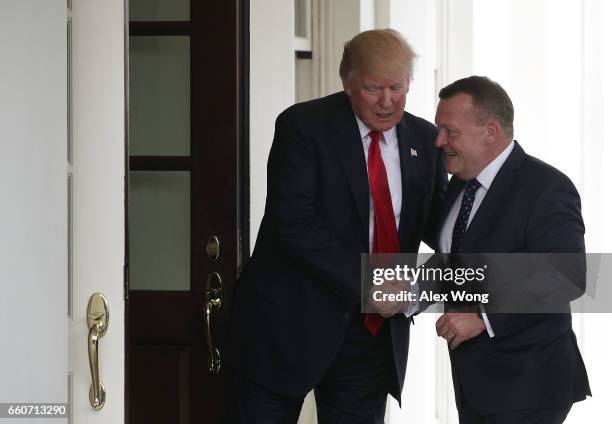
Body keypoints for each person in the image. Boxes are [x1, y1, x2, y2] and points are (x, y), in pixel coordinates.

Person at [225, 29, 447, 423]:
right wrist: (368, 283)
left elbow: (440, 225)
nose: (387, 101)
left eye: (397, 87)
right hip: (288, 326)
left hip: (370, 336)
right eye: (373, 88)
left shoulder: (425, 140)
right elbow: (293, 223)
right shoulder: (303, 127)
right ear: (347, 83)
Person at [433, 76, 590, 424]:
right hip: (475, 383)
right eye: (438, 129)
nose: (439, 141)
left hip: (529, 383)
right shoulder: (458, 185)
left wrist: (483, 317)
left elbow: (567, 276)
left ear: (489, 131)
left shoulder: (546, 188)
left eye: (450, 131)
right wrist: (407, 290)